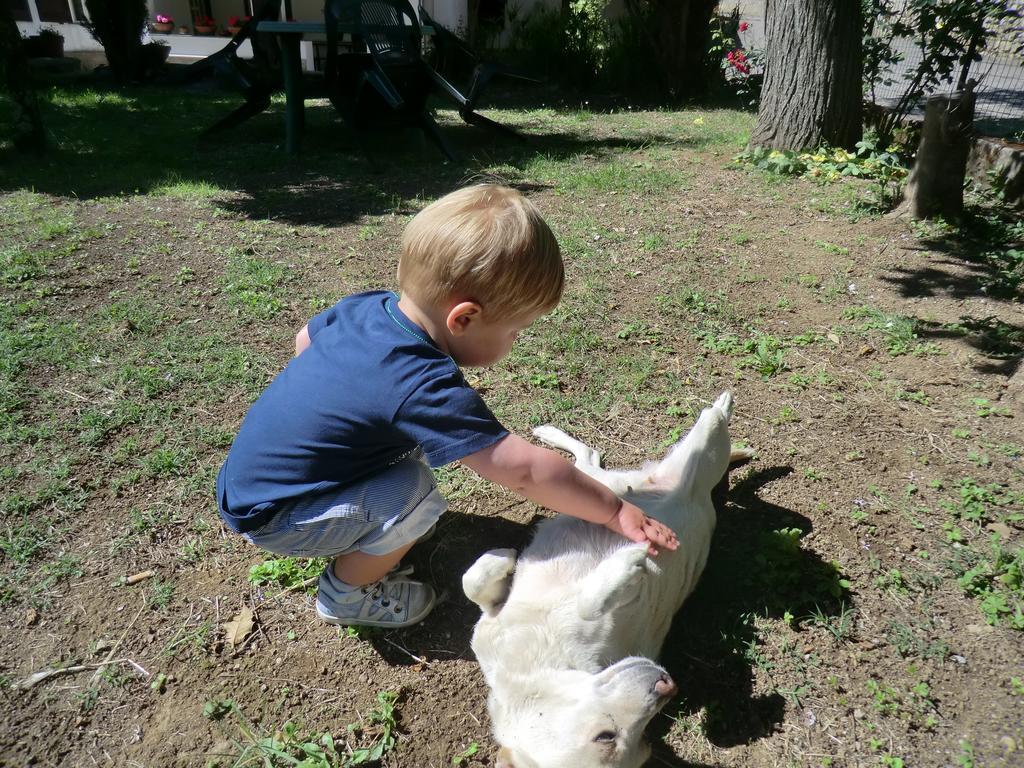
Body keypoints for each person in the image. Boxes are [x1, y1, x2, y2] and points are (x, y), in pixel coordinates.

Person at [216, 184, 679, 629]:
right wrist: (615, 512)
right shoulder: (420, 383)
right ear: (465, 318)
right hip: (282, 518)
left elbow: (305, 341)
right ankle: (346, 594)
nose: (515, 342)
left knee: (403, 459)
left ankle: (371, 527)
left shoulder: (368, 308)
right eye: (515, 331)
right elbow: (521, 469)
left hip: (250, 485)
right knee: (416, 496)